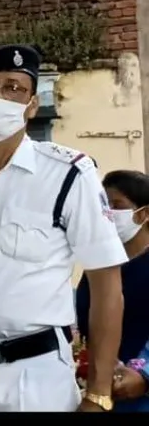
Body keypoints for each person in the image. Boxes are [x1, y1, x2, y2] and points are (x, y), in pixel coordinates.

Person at [0, 44, 126, 413]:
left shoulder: (69, 174)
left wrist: (99, 393)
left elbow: (106, 283)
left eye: (13, 88)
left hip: (36, 376)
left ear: (32, 105)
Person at [74, 170, 149, 412]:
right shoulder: (98, 268)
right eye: (105, 206)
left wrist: (144, 375)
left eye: (118, 206)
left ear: (144, 214)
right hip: (100, 391)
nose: (109, 214)